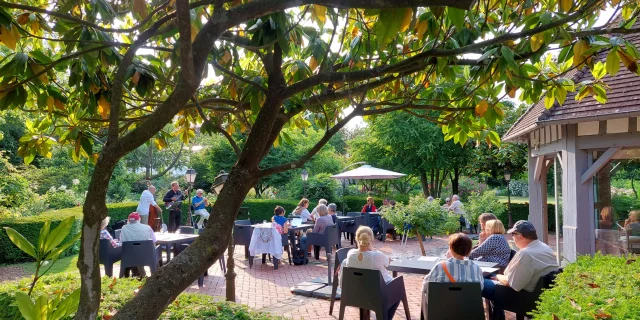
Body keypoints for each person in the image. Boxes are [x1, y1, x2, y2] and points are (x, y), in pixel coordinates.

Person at [482, 220, 559, 320]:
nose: (512, 238)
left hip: (523, 297)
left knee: (478, 283)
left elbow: (511, 283)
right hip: (538, 294)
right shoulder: (545, 247)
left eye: (513, 234)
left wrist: (498, 276)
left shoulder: (526, 254)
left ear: (520, 236)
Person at [340, 226, 399, 319]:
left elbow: (349, 260)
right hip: (377, 294)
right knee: (397, 291)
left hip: (356, 293)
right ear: (371, 239)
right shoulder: (377, 255)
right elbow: (387, 263)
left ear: (356, 238)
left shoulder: (350, 254)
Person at [120, 212, 158, 277]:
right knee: (153, 249)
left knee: (135, 252)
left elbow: (121, 242)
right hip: (147, 255)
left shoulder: (124, 228)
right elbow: (154, 241)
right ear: (139, 219)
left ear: (128, 220)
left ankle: (140, 275)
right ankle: (153, 274)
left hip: (129, 256)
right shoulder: (147, 227)